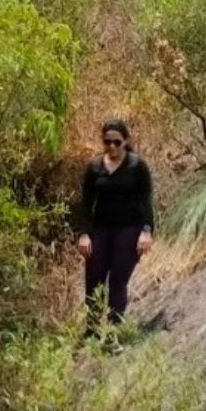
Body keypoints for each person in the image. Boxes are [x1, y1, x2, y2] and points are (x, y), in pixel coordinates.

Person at [77, 119, 154, 325]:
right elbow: (85, 203)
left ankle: (113, 329)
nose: (112, 146)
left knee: (118, 279)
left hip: (129, 229)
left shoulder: (137, 166)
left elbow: (145, 201)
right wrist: (84, 234)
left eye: (117, 142)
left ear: (126, 140)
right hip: (101, 229)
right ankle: (92, 328)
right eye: (107, 142)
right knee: (94, 279)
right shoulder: (94, 167)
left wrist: (146, 231)